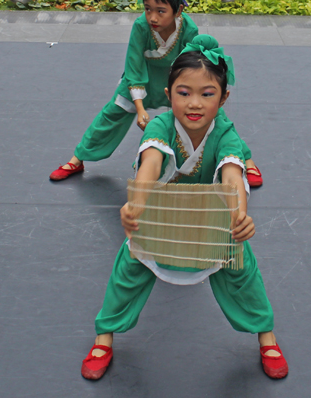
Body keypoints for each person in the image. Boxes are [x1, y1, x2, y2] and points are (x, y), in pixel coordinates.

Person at [81, 36, 288, 381]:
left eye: (207, 94)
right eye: (183, 92)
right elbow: (149, 163)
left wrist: (239, 215)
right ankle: (104, 336)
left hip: (210, 219)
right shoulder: (161, 126)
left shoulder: (225, 133)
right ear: (168, 93)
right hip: (160, 216)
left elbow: (233, 173)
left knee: (241, 269)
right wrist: (136, 205)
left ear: (224, 98)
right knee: (129, 268)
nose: (194, 103)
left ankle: (266, 337)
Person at [49, 0, 263, 187]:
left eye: (161, 11)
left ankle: (246, 159)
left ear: (178, 10)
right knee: (112, 114)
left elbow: (189, 66)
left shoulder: (188, 28)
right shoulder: (141, 27)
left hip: (177, 81)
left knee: (215, 114)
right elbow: (134, 65)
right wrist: (140, 108)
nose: (152, 17)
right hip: (141, 79)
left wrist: (186, 92)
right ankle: (77, 159)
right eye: (148, 9)